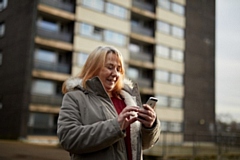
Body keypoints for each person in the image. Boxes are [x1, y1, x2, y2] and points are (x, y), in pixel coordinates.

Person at [57, 46, 161, 160]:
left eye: (119, 69)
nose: (115, 74)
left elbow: (143, 144)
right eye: (110, 67)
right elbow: (68, 139)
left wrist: (150, 126)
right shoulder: (74, 97)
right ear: (93, 68)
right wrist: (116, 126)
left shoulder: (128, 99)